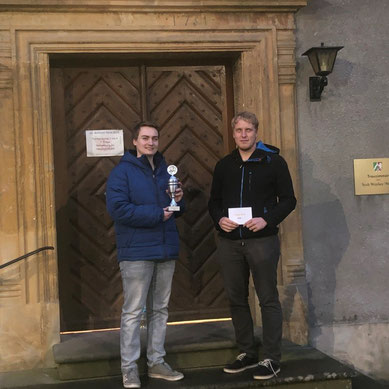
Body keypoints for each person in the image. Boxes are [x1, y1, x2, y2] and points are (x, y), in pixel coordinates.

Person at [208, 111, 296, 380]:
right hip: (230, 243)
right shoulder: (224, 165)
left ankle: (271, 358)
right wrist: (220, 219)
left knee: (267, 298)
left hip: (262, 242)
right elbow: (214, 202)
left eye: (248, 130)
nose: (243, 134)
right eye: (239, 130)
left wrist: (266, 220)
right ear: (233, 134)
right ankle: (247, 352)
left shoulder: (273, 162)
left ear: (256, 132)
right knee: (236, 299)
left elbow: (289, 200)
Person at [106, 121, 184, 388]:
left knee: (160, 309)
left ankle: (156, 363)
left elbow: (172, 207)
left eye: (154, 138)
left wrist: (177, 201)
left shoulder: (164, 171)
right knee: (132, 312)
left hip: (165, 248)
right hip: (136, 251)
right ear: (135, 141)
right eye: (145, 138)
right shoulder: (121, 173)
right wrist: (157, 214)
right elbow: (118, 210)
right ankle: (129, 369)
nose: (150, 142)